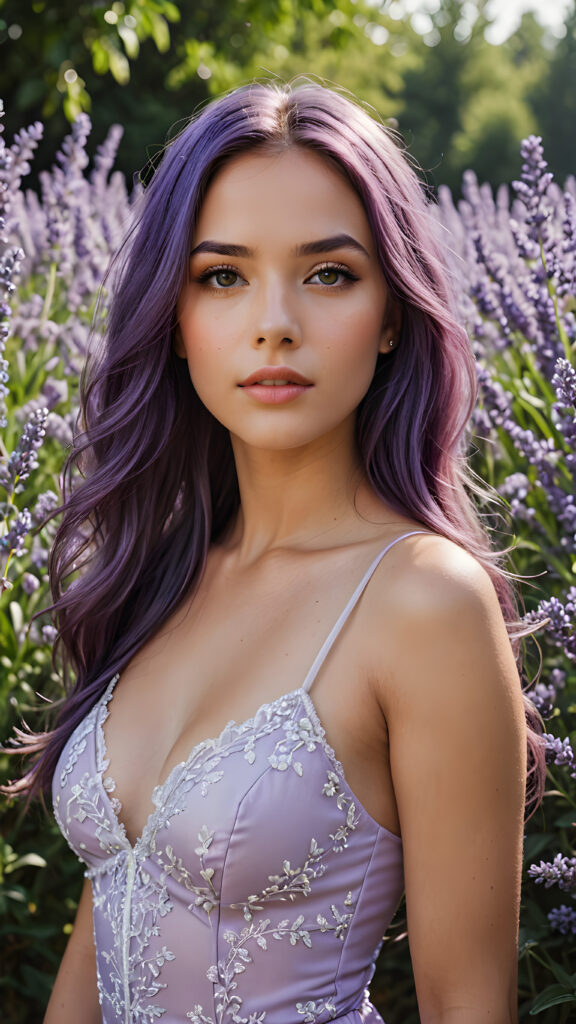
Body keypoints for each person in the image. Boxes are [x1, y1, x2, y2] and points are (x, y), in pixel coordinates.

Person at [10, 81, 543, 1024]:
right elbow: (106, 924)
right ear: (173, 319)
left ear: (392, 314)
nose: (274, 323)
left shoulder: (424, 603)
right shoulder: (160, 574)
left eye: (329, 273)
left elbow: (470, 1002)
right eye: (223, 276)